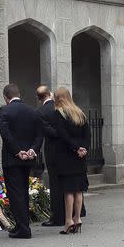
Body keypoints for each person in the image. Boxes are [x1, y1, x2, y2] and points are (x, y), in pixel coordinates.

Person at [0, 83, 43, 239]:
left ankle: (23, 228)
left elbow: (6, 135)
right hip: (28, 158)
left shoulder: (4, 110)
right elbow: (39, 134)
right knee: (23, 191)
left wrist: (18, 151)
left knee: (15, 193)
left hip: (12, 159)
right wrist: (32, 150)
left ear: (5, 97)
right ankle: (22, 225)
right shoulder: (32, 110)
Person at [46, 87, 89, 235]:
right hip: (79, 158)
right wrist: (83, 148)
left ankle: (68, 220)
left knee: (68, 191)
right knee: (78, 190)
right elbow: (87, 135)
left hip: (66, 156)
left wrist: (75, 148)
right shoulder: (79, 113)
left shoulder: (59, 114)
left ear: (58, 99)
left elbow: (63, 135)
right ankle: (77, 218)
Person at [35, 86, 63, 227]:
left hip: (52, 151)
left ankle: (57, 216)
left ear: (39, 98)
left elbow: (48, 132)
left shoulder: (40, 112)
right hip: (65, 149)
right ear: (49, 94)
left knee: (55, 184)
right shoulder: (59, 107)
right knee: (65, 182)